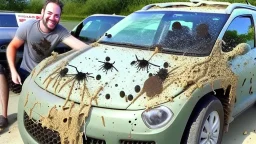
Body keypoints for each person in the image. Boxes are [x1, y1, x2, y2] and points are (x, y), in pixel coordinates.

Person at [0, 0, 91, 129]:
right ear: (42, 12)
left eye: (56, 15)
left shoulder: (60, 32)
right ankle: (3, 116)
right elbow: (12, 47)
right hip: (23, 72)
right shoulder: (28, 27)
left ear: (59, 17)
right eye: (49, 13)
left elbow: (82, 47)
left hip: (42, 75)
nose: (52, 18)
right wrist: (13, 71)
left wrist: (98, 48)